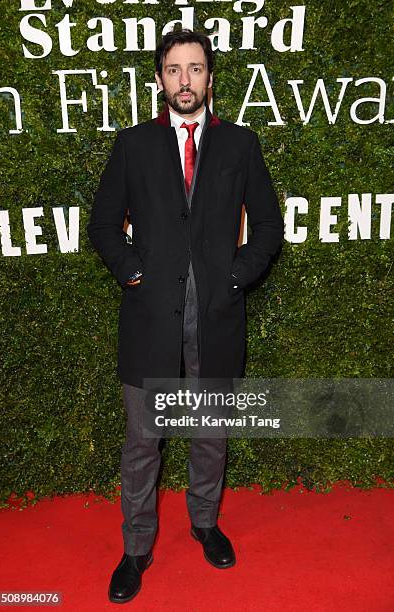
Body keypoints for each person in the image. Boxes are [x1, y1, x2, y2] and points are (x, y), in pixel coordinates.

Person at [87, 27, 284, 604]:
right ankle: (136, 547)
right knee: (144, 440)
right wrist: (135, 273)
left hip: (217, 316)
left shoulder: (241, 145)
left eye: (195, 69)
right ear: (159, 80)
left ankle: (204, 523)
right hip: (151, 318)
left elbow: (268, 228)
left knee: (211, 435)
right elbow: (103, 225)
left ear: (210, 78)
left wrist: (232, 278)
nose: (185, 81)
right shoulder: (133, 145)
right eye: (174, 70)